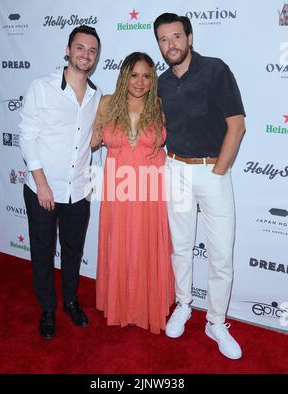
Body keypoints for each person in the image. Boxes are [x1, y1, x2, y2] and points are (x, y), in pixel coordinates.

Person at [154, 13, 246, 358]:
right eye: (163, 40)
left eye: (176, 36)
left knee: (221, 253)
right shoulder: (160, 83)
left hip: (213, 171)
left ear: (189, 37)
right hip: (174, 168)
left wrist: (218, 171)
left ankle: (217, 322)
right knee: (180, 246)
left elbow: (236, 126)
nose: (171, 45)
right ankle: (183, 304)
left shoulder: (215, 70)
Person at [19, 25, 102, 339]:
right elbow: (27, 138)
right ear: (68, 50)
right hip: (42, 188)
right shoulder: (42, 86)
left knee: (72, 250)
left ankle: (69, 300)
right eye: (80, 48)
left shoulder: (97, 95)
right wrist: (41, 183)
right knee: (42, 251)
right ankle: (47, 308)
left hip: (78, 190)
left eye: (92, 50)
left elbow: (90, 140)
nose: (86, 55)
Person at [91, 52, 174, 334]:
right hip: (118, 190)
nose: (140, 82)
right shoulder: (106, 104)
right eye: (134, 75)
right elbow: (88, 142)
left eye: (147, 76)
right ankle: (121, 303)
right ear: (124, 75)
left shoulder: (159, 106)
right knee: (121, 242)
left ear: (153, 79)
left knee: (147, 245)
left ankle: (147, 306)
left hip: (151, 191)